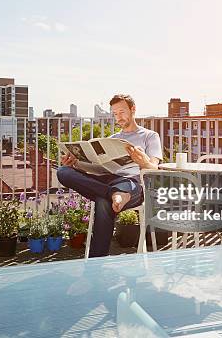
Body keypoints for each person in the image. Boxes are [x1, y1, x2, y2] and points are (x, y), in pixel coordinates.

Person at [56, 94, 163, 257]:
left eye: (121, 112)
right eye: (114, 114)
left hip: (134, 184)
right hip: (110, 181)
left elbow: (153, 169)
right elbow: (99, 170)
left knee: (103, 201)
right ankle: (113, 194)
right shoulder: (113, 139)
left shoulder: (149, 136)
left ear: (133, 110)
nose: (118, 117)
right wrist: (76, 163)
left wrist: (143, 162)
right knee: (63, 172)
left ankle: (96, 264)